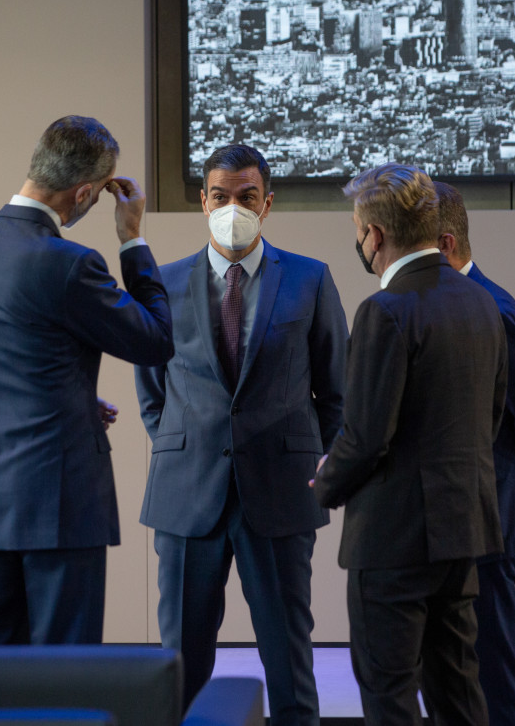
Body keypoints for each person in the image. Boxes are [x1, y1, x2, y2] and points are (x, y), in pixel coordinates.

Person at [0, 115, 174, 647]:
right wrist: (132, 239)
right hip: (58, 504)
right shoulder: (71, 262)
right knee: (62, 676)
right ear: (85, 192)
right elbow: (155, 340)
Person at [134, 144, 348, 726]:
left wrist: (311, 460)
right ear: (203, 202)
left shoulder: (309, 279)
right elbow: (152, 393)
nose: (233, 207)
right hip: (186, 495)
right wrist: (186, 442)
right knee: (177, 667)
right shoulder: (163, 282)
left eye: (246, 197)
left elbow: (336, 391)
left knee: (289, 663)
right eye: (221, 196)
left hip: (280, 494)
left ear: (267, 204)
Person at [312, 164, 507, 726]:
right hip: (462, 532)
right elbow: (487, 421)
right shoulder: (481, 302)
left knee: (389, 694)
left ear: (372, 234)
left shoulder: (385, 311)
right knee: (458, 692)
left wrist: (325, 481)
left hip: (394, 542)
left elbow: (367, 436)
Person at [435, 182, 515, 726]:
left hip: (486, 529)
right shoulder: (438, 304)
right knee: (453, 681)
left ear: (442, 244)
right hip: (449, 527)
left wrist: (504, 487)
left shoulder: (494, 308)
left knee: (494, 679)